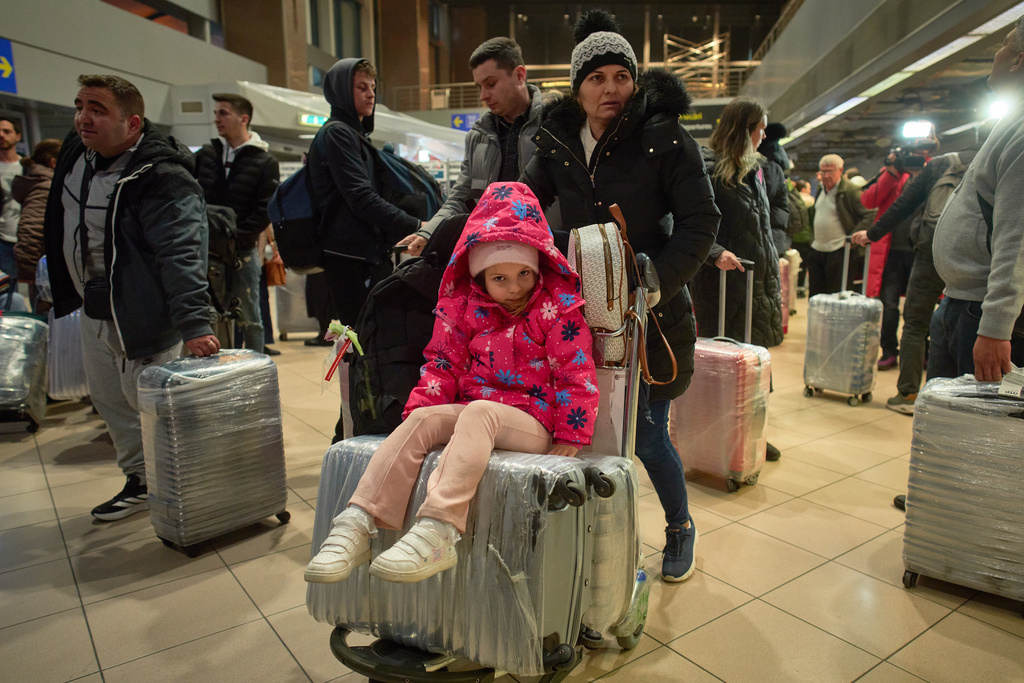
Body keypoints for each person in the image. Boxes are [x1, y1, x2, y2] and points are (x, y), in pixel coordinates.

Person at [304, 182, 598, 584]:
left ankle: (440, 528)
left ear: (538, 267)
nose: (514, 287)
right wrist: (421, 412)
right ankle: (359, 520)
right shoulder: (462, 308)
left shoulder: (555, 309)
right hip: (478, 411)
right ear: (479, 277)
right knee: (423, 420)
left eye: (523, 274)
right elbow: (442, 363)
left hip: (534, 419)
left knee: (479, 413)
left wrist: (571, 434)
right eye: (500, 278)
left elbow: (574, 371)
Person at [521, 10, 720, 582]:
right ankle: (599, 545)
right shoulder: (559, 139)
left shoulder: (665, 137)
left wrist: (656, 277)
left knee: (650, 436)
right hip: (580, 316)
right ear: (579, 87)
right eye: (596, 78)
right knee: (584, 433)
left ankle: (680, 527)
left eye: (621, 76)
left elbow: (701, 221)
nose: (610, 89)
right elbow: (521, 200)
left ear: (635, 81)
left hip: (649, 312)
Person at [43, 74, 219, 521]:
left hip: (143, 315)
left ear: (133, 123)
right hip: (94, 308)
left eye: (98, 109)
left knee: (154, 408)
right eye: (80, 105)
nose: (84, 117)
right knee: (109, 399)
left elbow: (182, 252)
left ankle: (185, 486)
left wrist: (196, 323)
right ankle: (142, 480)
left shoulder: (161, 177)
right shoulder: (77, 155)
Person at [929, 16, 1024, 384]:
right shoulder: (1011, 123)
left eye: (1004, 43)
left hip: (983, 315)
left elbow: (1017, 235)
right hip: (963, 302)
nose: (996, 53)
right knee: (942, 424)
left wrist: (997, 327)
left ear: (1019, 60)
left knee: (971, 433)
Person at [691, 97, 784, 461]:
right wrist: (716, 253)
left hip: (758, 279)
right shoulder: (709, 167)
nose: (763, 136)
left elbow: (774, 213)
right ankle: (718, 433)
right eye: (759, 129)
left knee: (754, 356)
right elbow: (692, 223)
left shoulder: (758, 168)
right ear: (744, 129)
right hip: (723, 283)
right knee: (723, 355)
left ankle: (753, 433)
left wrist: (775, 244)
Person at [398, 37, 549, 256]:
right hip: (489, 253)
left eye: (491, 84)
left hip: (543, 250)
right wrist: (429, 232)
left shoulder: (554, 126)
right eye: (479, 87)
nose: (483, 96)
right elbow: (461, 196)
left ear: (519, 75)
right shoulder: (477, 137)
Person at [852, 149, 977, 414]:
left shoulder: (944, 163)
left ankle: (909, 394)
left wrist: (872, 234)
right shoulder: (1000, 159)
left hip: (932, 252)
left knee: (915, 324)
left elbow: (903, 204)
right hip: (978, 259)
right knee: (970, 321)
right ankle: (962, 400)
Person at [310, 58, 421, 328]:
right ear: (340, 91)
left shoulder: (353, 135)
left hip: (364, 255)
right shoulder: (338, 134)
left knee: (372, 340)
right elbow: (361, 198)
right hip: (350, 259)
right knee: (365, 341)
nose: (371, 94)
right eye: (361, 87)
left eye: (372, 87)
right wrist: (416, 225)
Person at [193, 93, 280, 353]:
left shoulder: (264, 161)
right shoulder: (207, 154)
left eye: (223, 113)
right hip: (205, 250)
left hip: (242, 251)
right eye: (216, 113)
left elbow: (265, 209)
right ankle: (212, 370)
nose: (217, 118)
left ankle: (255, 369)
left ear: (244, 119)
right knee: (206, 315)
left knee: (250, 318)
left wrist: (236, 238)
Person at [806, 154, 875, 296]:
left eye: (830, 171)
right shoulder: (821, 189)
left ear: (840, 170)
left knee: (837, 294)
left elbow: (869, 214)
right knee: (816, 295)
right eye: (823, 171)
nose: (825, 176)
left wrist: (851, 239)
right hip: (818, 249)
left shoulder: (850, 190)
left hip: (839, 250)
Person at [13, 139, 62, 310]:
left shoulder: (44, 183)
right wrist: (31, 272)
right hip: (47, 274)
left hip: (46, 271)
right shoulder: (45, 187)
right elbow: (31, 230)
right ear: (54, 162)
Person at [0, 116, 24, 279]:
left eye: (7, 131)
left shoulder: (29, 166)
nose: (1, 135)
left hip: (26, 237)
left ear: (18, 136)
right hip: (2, 237)